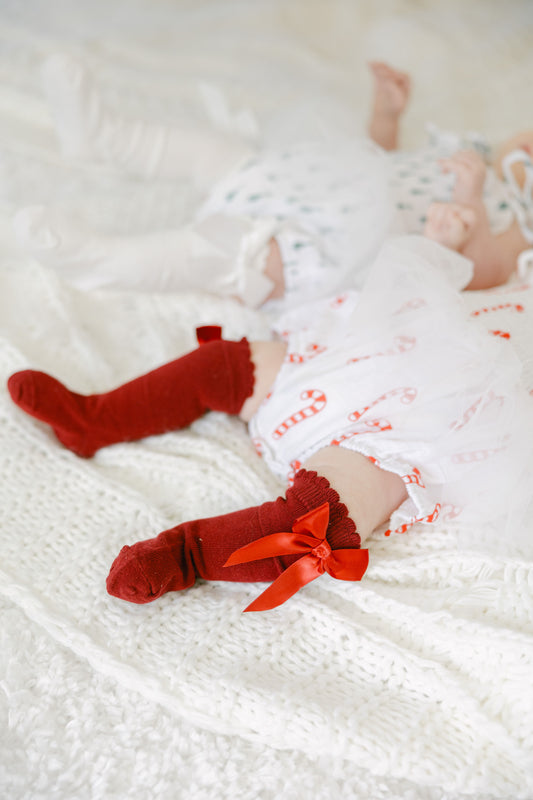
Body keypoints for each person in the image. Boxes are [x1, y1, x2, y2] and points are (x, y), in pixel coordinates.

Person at [7, 234, 533, 612]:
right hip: (372, 359)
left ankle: (185, 554)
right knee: (229, 366)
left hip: (441, 424)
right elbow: (480, 266)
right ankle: (94, 418)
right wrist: (448, 235)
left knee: (319, 524)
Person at [12, 56, 533, 309]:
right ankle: (106, 138)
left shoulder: (521, 224)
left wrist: (465, 209)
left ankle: (99, 261)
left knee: (239, 255)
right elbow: (380, 165)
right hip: (321, 188)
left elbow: (482, 270)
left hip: (343, 249)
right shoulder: (479, 153)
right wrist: (387, 115)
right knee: (224, 157)